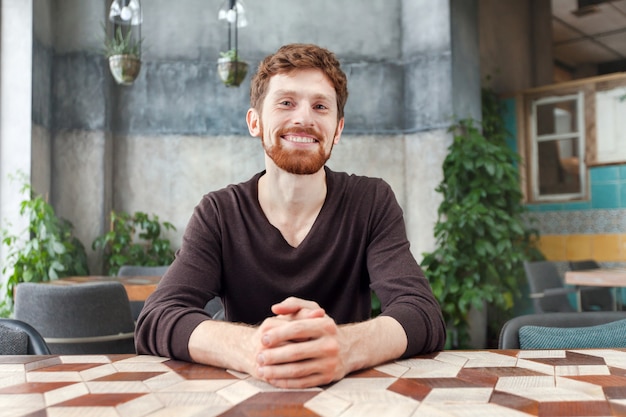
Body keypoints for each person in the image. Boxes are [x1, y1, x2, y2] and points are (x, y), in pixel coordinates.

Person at [135, 43, 446, 389]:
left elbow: (421, 312)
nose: (304, 118)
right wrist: (252, 349)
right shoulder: (219, 213)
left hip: (353, 401)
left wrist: (344, 348)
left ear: (338, 129)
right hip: (241, 401)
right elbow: (157, 317)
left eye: (320, 106)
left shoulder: (371, 201)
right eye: (286, 103)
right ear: (255, 121)